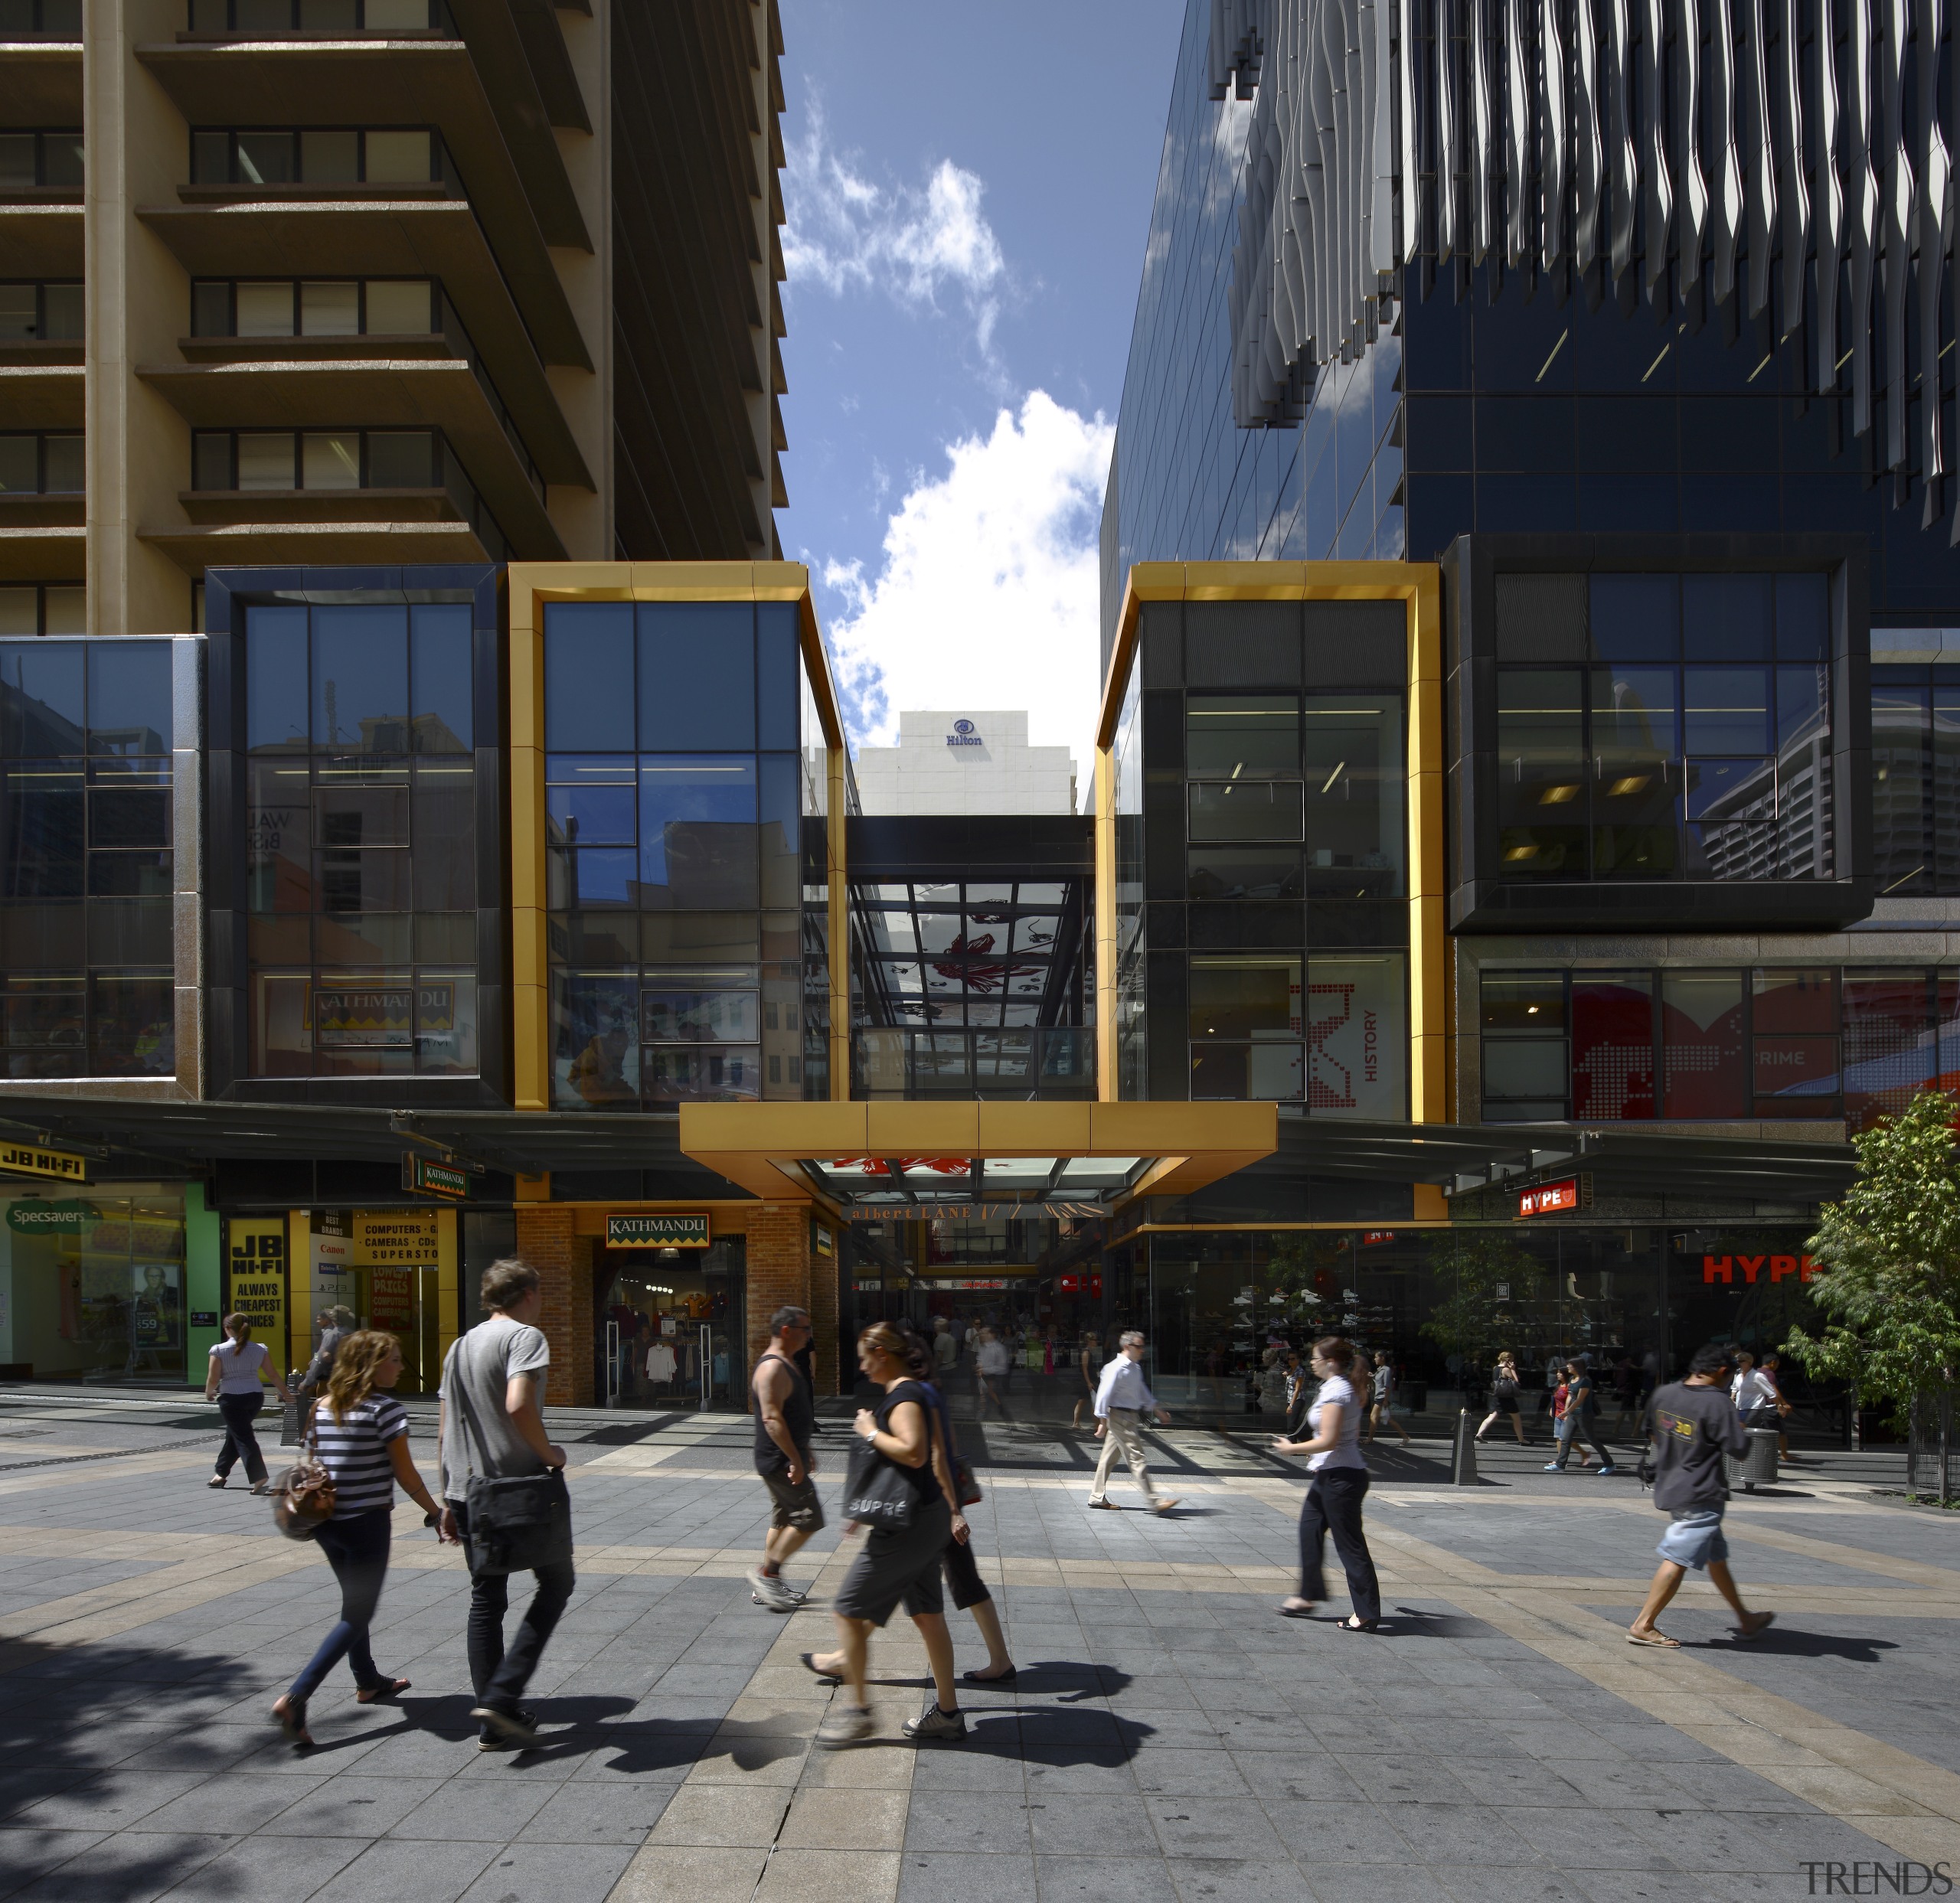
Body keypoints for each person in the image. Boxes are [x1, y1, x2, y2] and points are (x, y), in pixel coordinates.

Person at [271, 1330, 451, 1746]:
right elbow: (405, 1475)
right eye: (392, 1359)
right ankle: (297, 1697)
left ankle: (367, 1680)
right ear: (369, 1365)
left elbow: (316, 1463)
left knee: (354, 1602)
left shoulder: (320, 1406)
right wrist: (436, 1512)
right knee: (357, 1613)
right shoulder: (385, 1410)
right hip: (366, 1525)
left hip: (326, 1523)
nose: (400, 1366)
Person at [802, 1324, 965, 1745]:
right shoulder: (920, 1390)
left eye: (863, 1357)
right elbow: (933, 1457)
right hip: (925, 1518)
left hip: (907, 1526)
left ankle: (858, 1712)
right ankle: (947, 1713)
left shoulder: (905, 1395)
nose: (861, 1365)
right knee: (929, 1617)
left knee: (847, 1610)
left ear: (880, 1352)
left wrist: (869, 1432)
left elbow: (913, 1452)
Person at [437, 1257, 573, 1751]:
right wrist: (550, 1452)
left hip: (468, 1490)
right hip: (518, 1489)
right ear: (529, 1294)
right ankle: (501, 1696)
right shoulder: (524, 1338)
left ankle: (494, 1720)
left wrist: (446, 1496)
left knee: (486, 1599)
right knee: (558, 1582)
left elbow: (446, 1424)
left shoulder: (458, 1346)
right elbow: (519, 1402)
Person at [1627, 1342, 1775, 1647]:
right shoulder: (1717, 1403)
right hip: (1701, 1491)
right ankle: (1644, 1624)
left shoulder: (1665, 1393)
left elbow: (1653, 1433)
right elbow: (1740, 1449)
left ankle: (1745, 1619)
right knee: (1678, 1555)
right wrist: (1737, 1423)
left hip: (1671, 1486)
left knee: (1715, 1557)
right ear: (1722, 1372)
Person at [897, 1327, 1016, 1683]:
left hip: (932, 1507)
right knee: (961, 1581)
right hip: (934, 1505)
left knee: (887, 1579)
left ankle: (847, 1654)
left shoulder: (915, 1397)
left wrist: (952, 1512)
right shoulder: (925, 1392)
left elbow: (936, 1455)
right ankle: (1000, 1661)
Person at [1272, 1336, 1382, 1631]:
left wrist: (1290, 1449)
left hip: (1342, 1477)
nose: (1311, 1362)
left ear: (1331, 1362)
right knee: (1309, 1530)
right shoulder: (1334, 1387)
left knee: (1350, 1545)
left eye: (1315, 1358)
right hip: (1330, 1474)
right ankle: (1307, 1595)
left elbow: (1330, 1440)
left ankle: (1367, 1613)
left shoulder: (1339, 1391)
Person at [749, 1305, 822, 1612]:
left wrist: (805, 1450)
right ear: (786, 1331)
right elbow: (772, 1419)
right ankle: (767, 1575)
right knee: (808, 1520)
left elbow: (792, 1417)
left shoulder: (787, 1363)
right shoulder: (773, 1368)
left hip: (785, 1457)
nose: (809, 1335)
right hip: (779, 1460)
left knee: (783, 1519)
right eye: (805, 1329)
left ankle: (767, 1584)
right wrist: (795, 1458)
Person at [1086, 1330, 1178, 1514]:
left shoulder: (1134, 1368)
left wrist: (1158, 1410)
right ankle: (1155, 1501)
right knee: (1137, 1458)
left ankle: (1096, 1497)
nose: (1143, 1350)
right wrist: (1103, 1421)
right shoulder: (1117, 1367)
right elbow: (1104, 1394)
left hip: (1129, 1417)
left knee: (1108, 1459)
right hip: (1120, 1417)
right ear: (1127, 1346)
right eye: (1139, 1346)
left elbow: (1142, 1392)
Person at [206, 1312, 292, 1492]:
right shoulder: (259, 1349)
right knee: (236, 1433)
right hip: (255, 1397)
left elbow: (213, 1378)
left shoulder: (219, 1350)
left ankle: (259, 1476)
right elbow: (273, 1374)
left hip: (231, 1398)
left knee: (243, 1436)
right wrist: (286, 1393)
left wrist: (209, 1393)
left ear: (228, 1329)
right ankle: (220, 1474)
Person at [1544, 1357, 1619, 1475]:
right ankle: (1560, 1465)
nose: (1568, 1367)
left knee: (1592, 1440)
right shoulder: (1572, 1379)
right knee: (1565, 1439)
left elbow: (1579, 1399)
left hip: (1584, 1415)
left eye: (1570, 1365)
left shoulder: (1585, 1381)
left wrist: (1567, 1412)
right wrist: (1566, 1411)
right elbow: (1570, 1396)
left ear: (1577, 1367)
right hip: (1573, 1415)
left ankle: (1609, 1464)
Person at [1475, 1350, 1530, 1447]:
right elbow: (1516, 1382)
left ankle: (1479, 1434)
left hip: (1498, 1397)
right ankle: (1521, 1439)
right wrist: (1513, 1369)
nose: (1513, 1362)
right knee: (1517, 1419)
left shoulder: (1495, 1368)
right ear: (1508, 1360)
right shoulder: (1506, 1370)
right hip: (1507, 1398)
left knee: (1492, 1417)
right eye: (1512, 1360)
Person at [298, 1304, 356, 1395]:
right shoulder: (353, 1334)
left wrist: (307, 1381)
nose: (317, 1321)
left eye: (319, 1319)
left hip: (331, 1377)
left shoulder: (331, 1334)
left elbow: (319, 1356)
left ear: (329, 1320)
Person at [1364, 1350, 1412, 1448]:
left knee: (1373, 1417)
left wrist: (1386, 1400)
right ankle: (1405, 1437)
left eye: (1376, 1357)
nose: (1375, 1359)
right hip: (1379, 1396)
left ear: (1382, 1358)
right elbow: (1377, 1381)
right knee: (1387, 1419)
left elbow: (1387, 1386)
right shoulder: (1380, 1369)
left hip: (1382, 1397)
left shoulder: (1387, 1370)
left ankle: (1369, 1439)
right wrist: (1371, 1376)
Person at [975, 1326, 1011, 1419]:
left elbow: (1002, 1368)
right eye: (981, 1333)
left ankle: (1000, 1407)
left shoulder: (999, 1348)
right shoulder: (982, 1346)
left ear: (992, 1335)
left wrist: (985, 1370)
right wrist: (979, 1366)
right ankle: (984, 1410)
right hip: (984, 1374)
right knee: (983, 1392)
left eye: (984, 1333)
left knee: (991, 1391)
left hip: (995, 1376)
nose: (981, 1335)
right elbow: (980, 1358)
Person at [1070, 1330, 1102, 1430]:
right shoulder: (1086, 1353)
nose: (1096, 1342)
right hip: (1087, 1381)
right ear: (1090, 1341)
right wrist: (1088, 1382)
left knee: (1086, 1401)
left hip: (1089, 1381)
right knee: (1089, 1401)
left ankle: (1078, 1423)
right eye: (1095, 1340)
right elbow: (1084, 1368)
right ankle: (1092, 1424)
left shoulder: (1089, 1352)